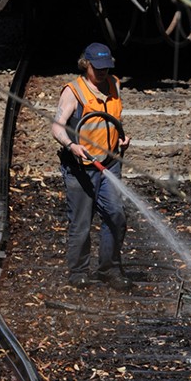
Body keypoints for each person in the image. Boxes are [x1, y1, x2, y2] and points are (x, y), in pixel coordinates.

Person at [51, 43, 130, 289]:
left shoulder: (115, 85)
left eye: (107, 68)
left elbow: (114, 120)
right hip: (80, 168)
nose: (103, 73)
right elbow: (57, 126)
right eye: (98, 68)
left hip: (108, 164)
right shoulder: (74, 92)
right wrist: (70, 145)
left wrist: (121, 139)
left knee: (115, 215)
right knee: (81, 222)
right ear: (86, 65)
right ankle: (78, 272)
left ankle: (110, 269)